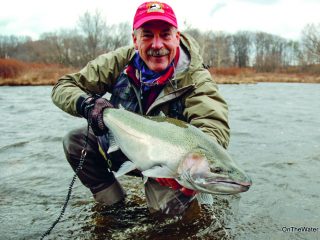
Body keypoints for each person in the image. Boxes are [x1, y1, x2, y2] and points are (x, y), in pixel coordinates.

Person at [51, 1, 230, 215]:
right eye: (147, 35)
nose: (157, 45)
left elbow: (213, 125)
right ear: (135, 40)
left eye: (165, 34)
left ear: (177, 37)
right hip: (124, 145)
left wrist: (190, 166)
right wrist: (88, 105)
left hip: (168, 163)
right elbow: (64, 86)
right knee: (76, 141)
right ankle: (113, 208)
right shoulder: (119, 62)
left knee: (166, 218)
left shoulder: (196, 78)